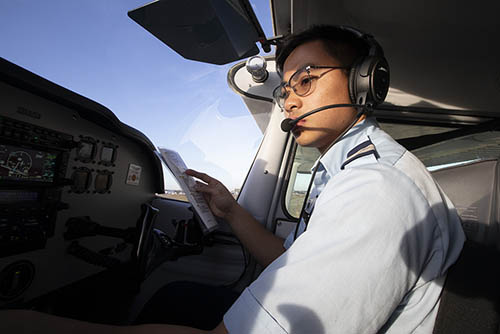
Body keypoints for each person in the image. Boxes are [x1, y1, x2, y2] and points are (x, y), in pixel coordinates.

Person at [0, 25, 464, 333]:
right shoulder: (348, 170)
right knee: (179, 295)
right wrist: (231, 210)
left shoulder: (375, 189)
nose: (289, 101)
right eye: (285, 89)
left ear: (365, 82)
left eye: (306, 80)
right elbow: (287, 258)